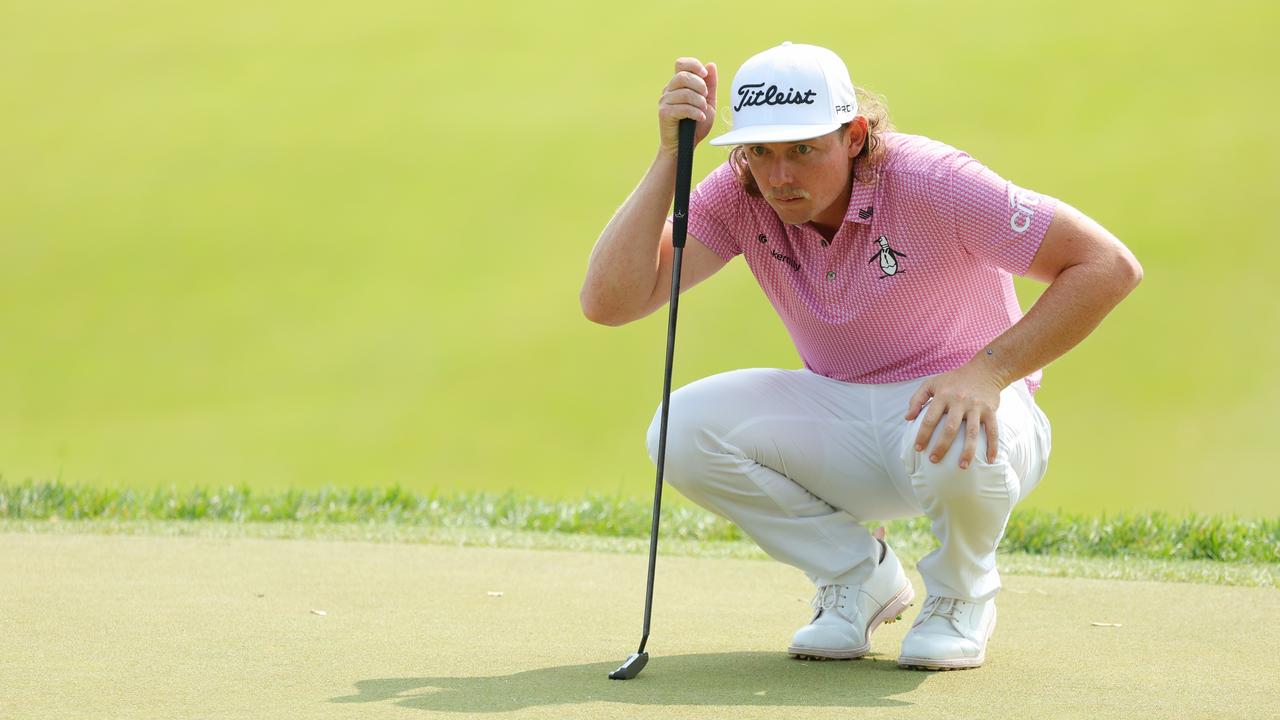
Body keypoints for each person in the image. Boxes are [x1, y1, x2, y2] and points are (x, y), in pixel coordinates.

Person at [579, 42, 1141, 671]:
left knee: (958, 422)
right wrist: (668, 157)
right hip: (844, 420)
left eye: (803, 150)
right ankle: (857, 576)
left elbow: (1107, 265)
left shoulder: (935, 180)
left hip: (973, 413)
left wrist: (991, 369)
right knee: (678, 431)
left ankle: (961, 597)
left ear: (852, 136)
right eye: (760, 151)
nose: (780, 176)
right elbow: (611, 301)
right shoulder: (743, 193)